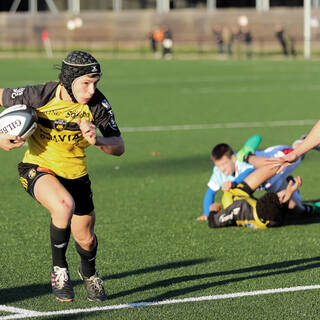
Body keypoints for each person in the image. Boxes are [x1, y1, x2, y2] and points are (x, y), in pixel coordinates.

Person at [0, 50, 125, 303]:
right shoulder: (39, 95)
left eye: (95, 83)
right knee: (63, 205)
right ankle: (59, 270)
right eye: (86, 83)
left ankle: (88, 273)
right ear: (69, 80)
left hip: (76, 176)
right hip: (37, 168)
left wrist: (98, 140)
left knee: (86, 240)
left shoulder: (97, 105)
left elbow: (119, 146)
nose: (91, 90)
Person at [198, 135, 314, 221]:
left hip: (279, 160)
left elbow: (256, 140)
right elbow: (210, 193)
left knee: (299, 153)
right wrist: (207, 213)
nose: (222, 169)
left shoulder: (241, 160)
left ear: (233, 158)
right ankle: (308, 206)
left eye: (224, 164)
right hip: (272, 183)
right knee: (294, 208)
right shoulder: (218, 172)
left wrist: (235, 183)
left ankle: (303, 140)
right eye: (218, 165)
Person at [208, 163, 301, 229]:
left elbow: (213, 222)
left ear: (261, 199)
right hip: (249, 205)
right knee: (296, 207)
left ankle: (252, 161)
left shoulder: (236, 208)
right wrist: (289, 194)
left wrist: (213, 209)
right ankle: (309, 209)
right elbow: (280, 205)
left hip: (234, 197)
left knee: (269, 168)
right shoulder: (273, 221)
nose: (281, 197)